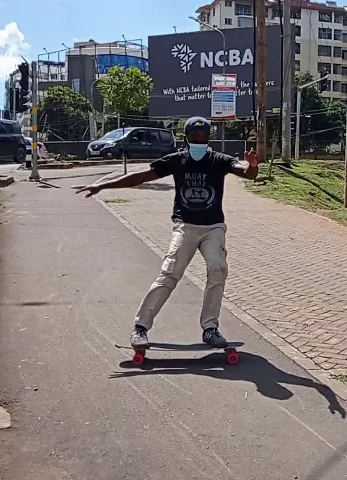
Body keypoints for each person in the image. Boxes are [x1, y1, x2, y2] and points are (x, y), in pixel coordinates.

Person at [73, 116, 259, 349]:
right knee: (170, 273)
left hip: (213, 228)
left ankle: (210, 328)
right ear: (187, 138)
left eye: (203, 136)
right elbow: (140, 177)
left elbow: (247, 173)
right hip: (186, 226)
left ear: (209, 138)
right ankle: (141, 327)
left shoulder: (218, 160)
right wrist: (102, 185)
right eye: (195, 136)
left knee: (218, 268)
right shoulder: (177, 160)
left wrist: (252, 165)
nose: (199, 140)